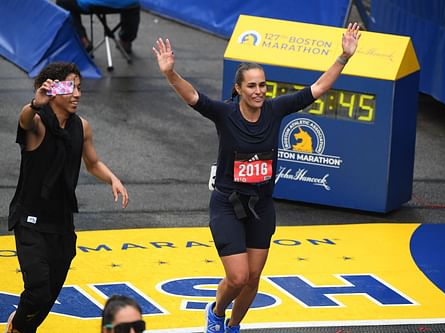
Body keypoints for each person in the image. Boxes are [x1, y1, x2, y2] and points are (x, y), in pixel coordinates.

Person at [153, 22, 361, 333]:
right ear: (238, 89)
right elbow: (194, 97)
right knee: (237, 277)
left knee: (253, 279)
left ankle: (233, 327)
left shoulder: (276, 110)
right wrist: (170, 73)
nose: (259, 91)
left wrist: (344, 56)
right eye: (251, 86)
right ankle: (216, 312)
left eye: (262, 85)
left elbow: (318, 88)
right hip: (227, 205)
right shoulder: (225, 114)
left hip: (261, 206)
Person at [5, 62, 129, 333]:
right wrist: (35, 104)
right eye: (70, 87)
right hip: (30, 220)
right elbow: (25, 120)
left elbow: (92, 162)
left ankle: (22, 326)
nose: (77, 94)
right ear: (52, 89)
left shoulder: (82, 127)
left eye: (79, 88)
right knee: (37, 288)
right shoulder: (37, 122)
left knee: (48, 295)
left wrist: (112, 178)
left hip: (61, 223)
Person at [56, 0, 140, 53]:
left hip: (92, 4)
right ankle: (126, 39)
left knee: (63, 1)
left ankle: (82, 40)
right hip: (125, 4)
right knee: (133, 5)